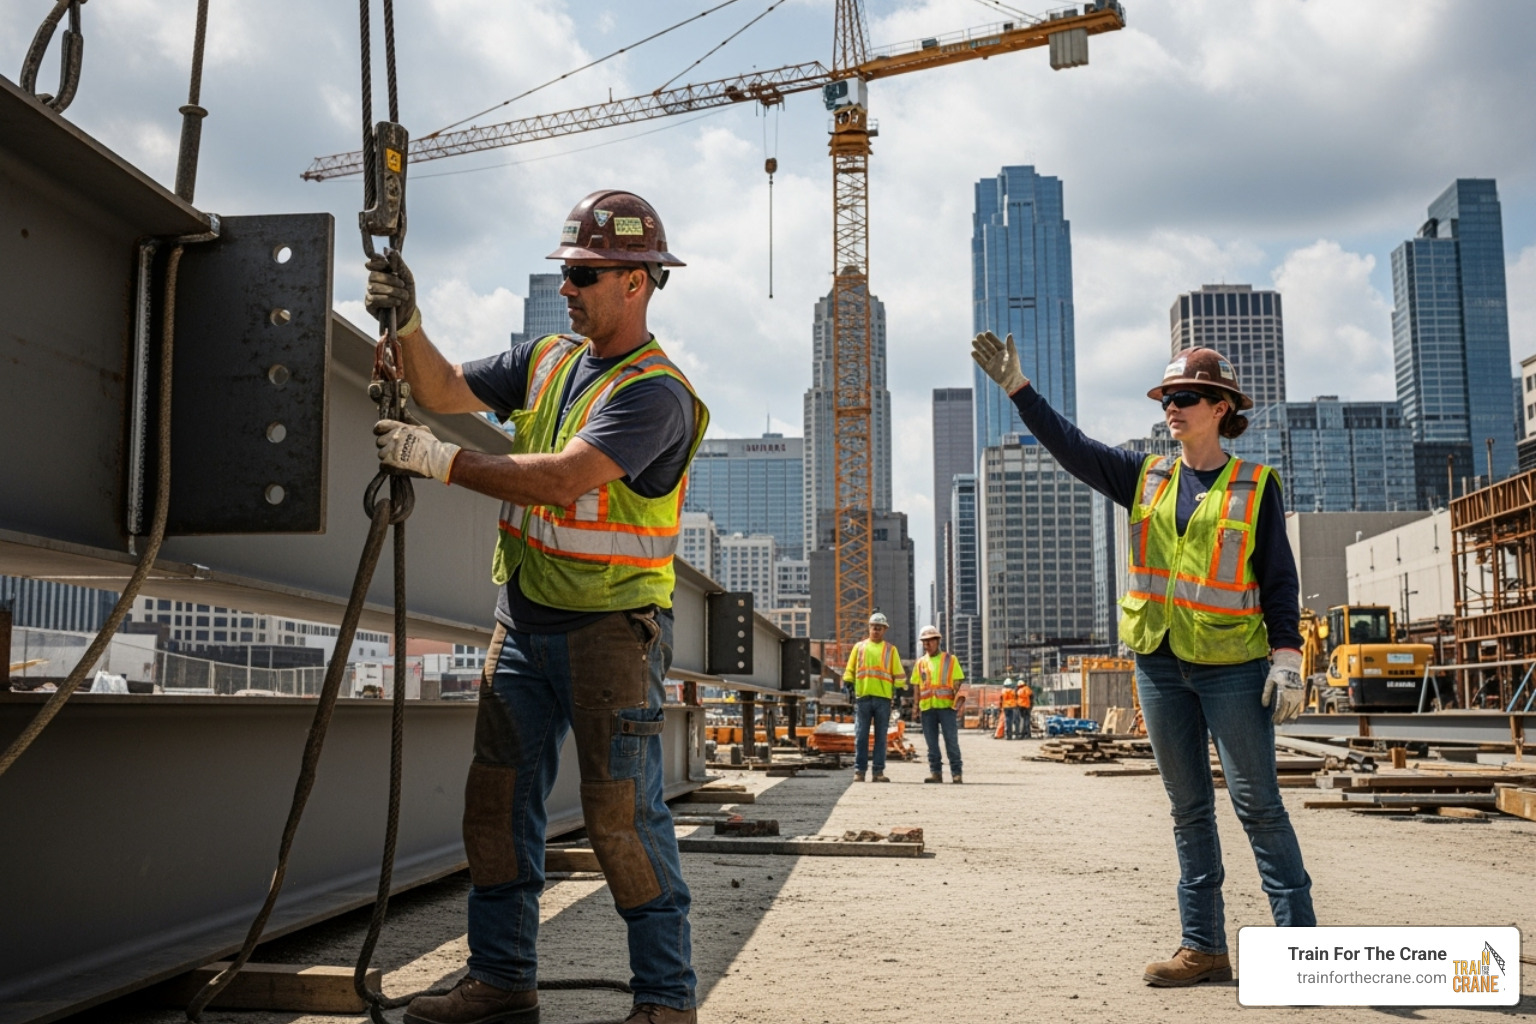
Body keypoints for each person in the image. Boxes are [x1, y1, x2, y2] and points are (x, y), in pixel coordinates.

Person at [366, 190, 706, 1024]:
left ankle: (666, 1002)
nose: (568, 287)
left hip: (610, 638)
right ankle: (501, 984)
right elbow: (441, 386)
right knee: (496, 807)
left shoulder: (656, 395)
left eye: (584, 273)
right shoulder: (549, 358)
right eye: (566, 272)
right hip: (522, 626)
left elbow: (560, 478)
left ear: (638, 281)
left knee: (620, 821)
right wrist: (406, 322)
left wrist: (437, 462)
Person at [973, 334, 1313, 988]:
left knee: (1258, 805)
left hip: (1233, 666)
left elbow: (1277, 579)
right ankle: (1203, 947)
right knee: (1187, 808)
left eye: (1184, 397)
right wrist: (1020, 387)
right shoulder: (1146, 476)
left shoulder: (1254, 485)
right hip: (1158, 664)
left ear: (1221, 407)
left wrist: (1287, 656)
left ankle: (1300, 953)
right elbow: (1071, 446)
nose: (1171, 408)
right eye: (1166, 398)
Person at [842, 612, 906, 782]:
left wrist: (898, 694)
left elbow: (898, 674)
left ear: (884, 630)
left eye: (879, 628)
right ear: (869, 628)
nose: (876, 630)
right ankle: (860, 771)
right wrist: (849, 685)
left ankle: (878, 772)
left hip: (883, 699)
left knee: (880, 738)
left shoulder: (891, 650)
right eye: (874, 627)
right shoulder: (859, 647)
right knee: (861, 735)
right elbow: (850, 670)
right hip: (863, 698)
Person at [911, 625, 964, 783]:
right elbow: (916, 685)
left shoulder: (950, 660)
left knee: (951, 741)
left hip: (946, 707)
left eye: (929, 641)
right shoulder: (920, 663)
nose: (926, 644)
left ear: (937, 641)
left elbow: (957, 681)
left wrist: (956, 699)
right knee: (931, 743)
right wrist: (915, 706)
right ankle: (936, 773)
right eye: (924, 642)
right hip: (927, 708)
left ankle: (956, 772)